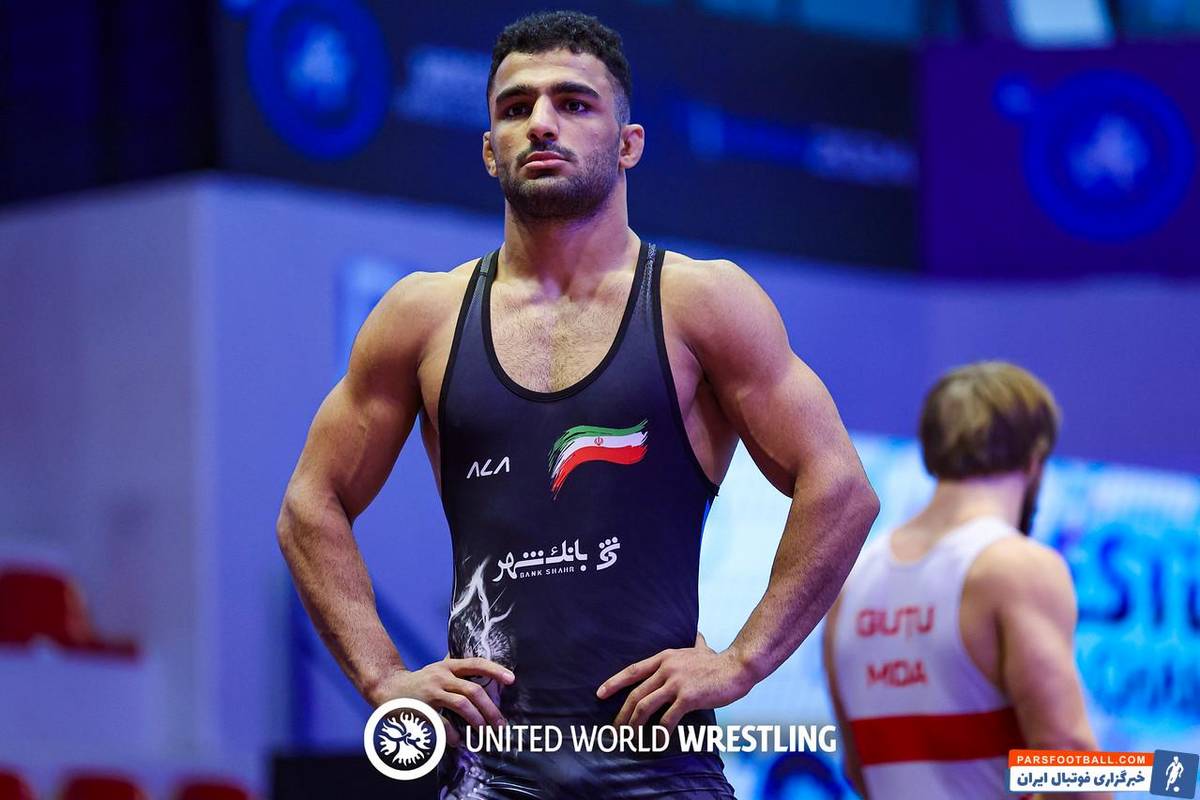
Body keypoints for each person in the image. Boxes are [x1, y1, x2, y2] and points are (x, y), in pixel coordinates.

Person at [276, 10, 879, 798]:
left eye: (573, 102)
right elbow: (309, 506)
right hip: (492, 773)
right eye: (515, 107)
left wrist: (744, 659)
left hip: (660, 772)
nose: (541, 123)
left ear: (628, 143)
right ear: (489, 149)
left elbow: (841, 488)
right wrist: (382, 675)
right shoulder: (421, 317)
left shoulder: (702, 303)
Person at [823, 361, 1108, 800]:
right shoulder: (1016, 566)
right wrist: (1168, 774)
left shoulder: (852, 582)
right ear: (1035, 460)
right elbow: (1067, 758)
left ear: (932, 453)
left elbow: (858, 770)